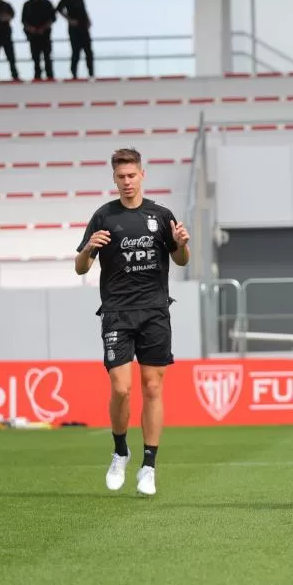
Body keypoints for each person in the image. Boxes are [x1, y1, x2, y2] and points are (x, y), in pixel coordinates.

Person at [74, 148, 190, 496]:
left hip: (155, 310)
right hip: (117, 312)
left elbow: (181, 260)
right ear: (114, 179)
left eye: (132, 175)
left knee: (153, 388)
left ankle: (149, 465)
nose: (127, 182)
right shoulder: (104, 217)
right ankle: (120, 450)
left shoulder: (160, 214)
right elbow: (80, 268)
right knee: (121, 388)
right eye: (121, 177)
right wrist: (87, 250)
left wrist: (183, 244)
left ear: (142, 174)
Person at [57, 0, 93, 79]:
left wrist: (88, 20)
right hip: (74, 29)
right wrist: (69, 19)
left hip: (83, 28)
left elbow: (83, 11)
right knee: (76, 52)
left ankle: (91, 74)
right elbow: (59, 8)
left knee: (88, 52)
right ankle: (74, 75)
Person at [22, 0, 57, 81]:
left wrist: (43, 28)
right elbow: (24, 21)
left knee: (47, 57)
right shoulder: (27, 5)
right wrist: (31, 29)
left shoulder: (46, 3)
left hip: (45, 35)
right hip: (33, 37)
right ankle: (37, 77)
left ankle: (50, 76)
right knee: (35, 59)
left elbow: (52, 18)